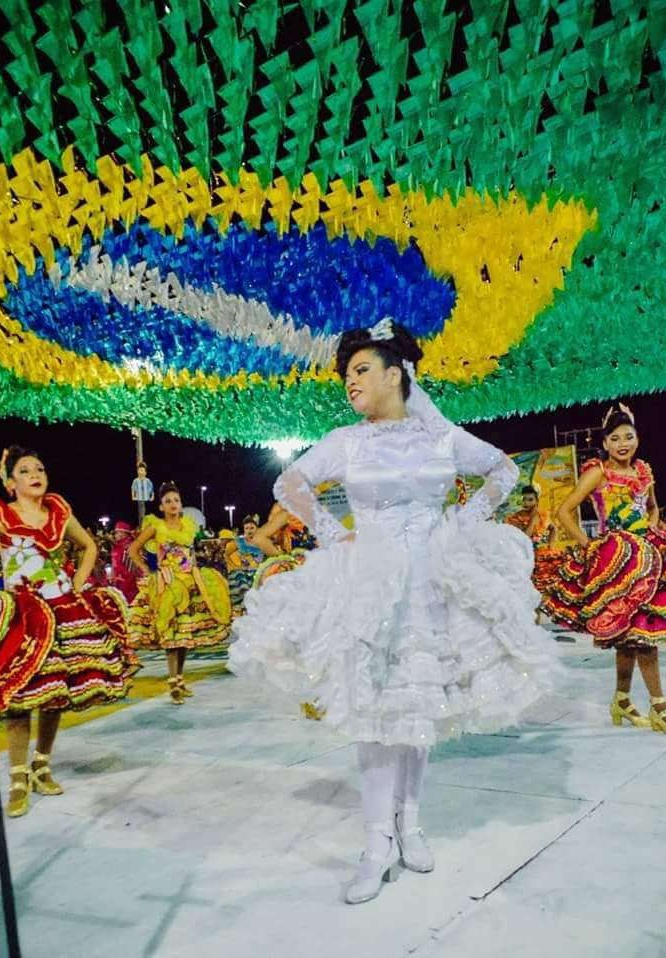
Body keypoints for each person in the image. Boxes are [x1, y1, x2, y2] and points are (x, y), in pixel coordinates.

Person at [229, 319, 556, 904]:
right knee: (374, 710)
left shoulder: (441, 437)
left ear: (395, 374)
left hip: (433, 580)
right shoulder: (346, 441)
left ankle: (411, 822)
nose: (351, 383)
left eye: (360, 370)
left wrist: (462, 522)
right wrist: (334, 533)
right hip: (369, 584)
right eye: (347, 376)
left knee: (419, 702)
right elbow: (292, 483)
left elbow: (503, 471)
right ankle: (376, 840)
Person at [0, 446, 138, 818]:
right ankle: (18, 778)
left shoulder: (58, 512)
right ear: (11, 483)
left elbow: (88, 545)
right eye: (25, 470)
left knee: (56, 692)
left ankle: (41, 765)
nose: (35, 475)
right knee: (21, 697)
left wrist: (77, 582)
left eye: (39, 469)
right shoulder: (0, 516)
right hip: (24, 615)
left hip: (63, 609)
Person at [541, 403, 666, 733]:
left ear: (637, 439)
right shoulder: (598, 472)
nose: (623, 444)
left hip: (647, 558)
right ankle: (659, 706)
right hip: (616, 561)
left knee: (632, 635)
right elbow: (564, 511)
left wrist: (652, 529)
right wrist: (588, 545)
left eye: (628, 437)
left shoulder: (643, 472)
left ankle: (622, 700)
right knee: (641, 635)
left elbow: (652, 508)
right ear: (605, 443)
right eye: (615, 438)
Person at [128, 482, 231, 704]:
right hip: (168, 585)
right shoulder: (155, 526)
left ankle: (180, 679)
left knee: (184, 636)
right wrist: (147, 570)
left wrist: (195, 573)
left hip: (189, 582)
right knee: (171, 634)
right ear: (161, 506)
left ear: (181, 504)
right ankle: (173, 681)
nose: (173, 504)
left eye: (176, 500)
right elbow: (133, 549)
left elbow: (190, 554)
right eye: (168, 501)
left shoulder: (188, 526)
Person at [505, 484, 560, 601]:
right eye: (524, 499)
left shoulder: (543, 514)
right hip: (525, 556)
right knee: (529, 590)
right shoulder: (517, 517)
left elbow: (554, 529)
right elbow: (524, 537)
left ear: (537, 501)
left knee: (547, 586)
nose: (526, 503)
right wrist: (534, 520)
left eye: (530, 500)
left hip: (542, 555)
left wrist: (550, 546)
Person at [224, 514, 265, 616]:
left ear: (257, 528)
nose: (249, 530)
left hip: (258, 573)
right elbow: (226, 554)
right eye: (247, 528)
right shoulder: (240, 541)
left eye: (252, 528)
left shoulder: (263, 542)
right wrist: (233, 566)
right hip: (243, 573)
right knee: (243, 585)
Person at [110, 520, 142, 603]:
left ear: (123, 534)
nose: (115, 535)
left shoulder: (118, 548)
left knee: (123, 603)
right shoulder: (134, 545)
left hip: (123, 582)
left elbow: (117, 566)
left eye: (116, 533)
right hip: (135, 582)